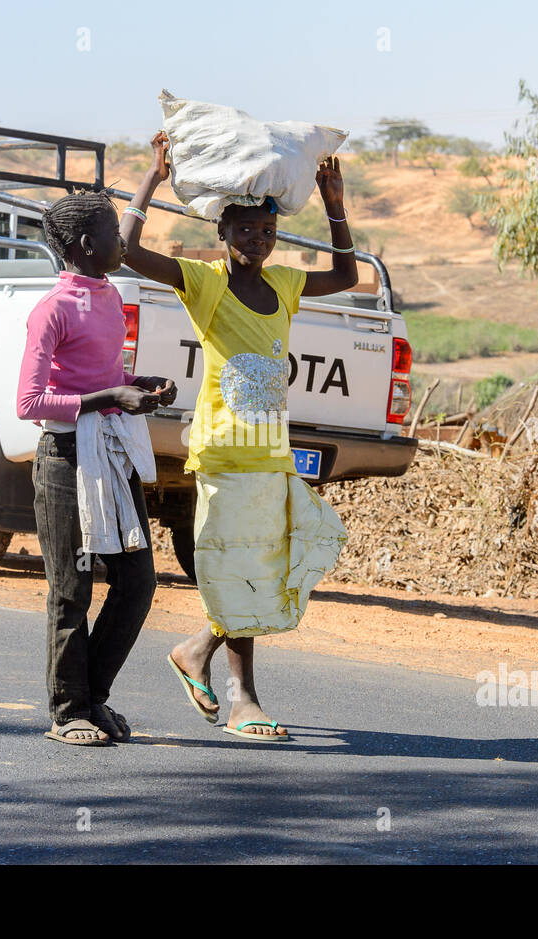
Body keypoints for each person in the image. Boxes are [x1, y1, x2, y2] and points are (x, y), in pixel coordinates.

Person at [120, 132, 356, 741]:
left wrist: (334, 202)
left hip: (271, 454)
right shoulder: (203, 284)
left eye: (267, 233)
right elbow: (125, 250)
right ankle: (243, 697)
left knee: (273, 559)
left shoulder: (284, 286)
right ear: (223, 235)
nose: (258, 242)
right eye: (246, 233)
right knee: (235, 568)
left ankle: (195, 650)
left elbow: (347, 274)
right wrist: (153, 177)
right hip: (223, 453)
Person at [18, 190, 178, 746]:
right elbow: (30, 404)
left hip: (109, 452)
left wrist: (138, 389)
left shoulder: (109, 296)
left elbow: (103, 377)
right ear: (89, 245)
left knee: (137, 581)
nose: (123, 244)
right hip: (65, 459)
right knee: (72, 589)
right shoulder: (53, 309)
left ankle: (94, 696)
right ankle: (68, 711)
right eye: (115, 235)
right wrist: (109, 395)